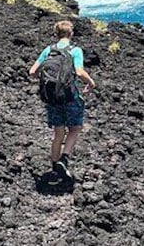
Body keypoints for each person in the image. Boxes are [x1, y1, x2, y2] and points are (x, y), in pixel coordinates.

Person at [29, 20, 96, 180]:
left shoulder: (48, 50)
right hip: (69, 97)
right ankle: (64, 159)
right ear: (71, 34)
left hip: (52, 98)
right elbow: (79, 72)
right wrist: (91, 82)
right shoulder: (75, 50)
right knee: (75, 128)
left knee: (58, 133)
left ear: (56, 34)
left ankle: (54, 171)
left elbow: (32, 72)